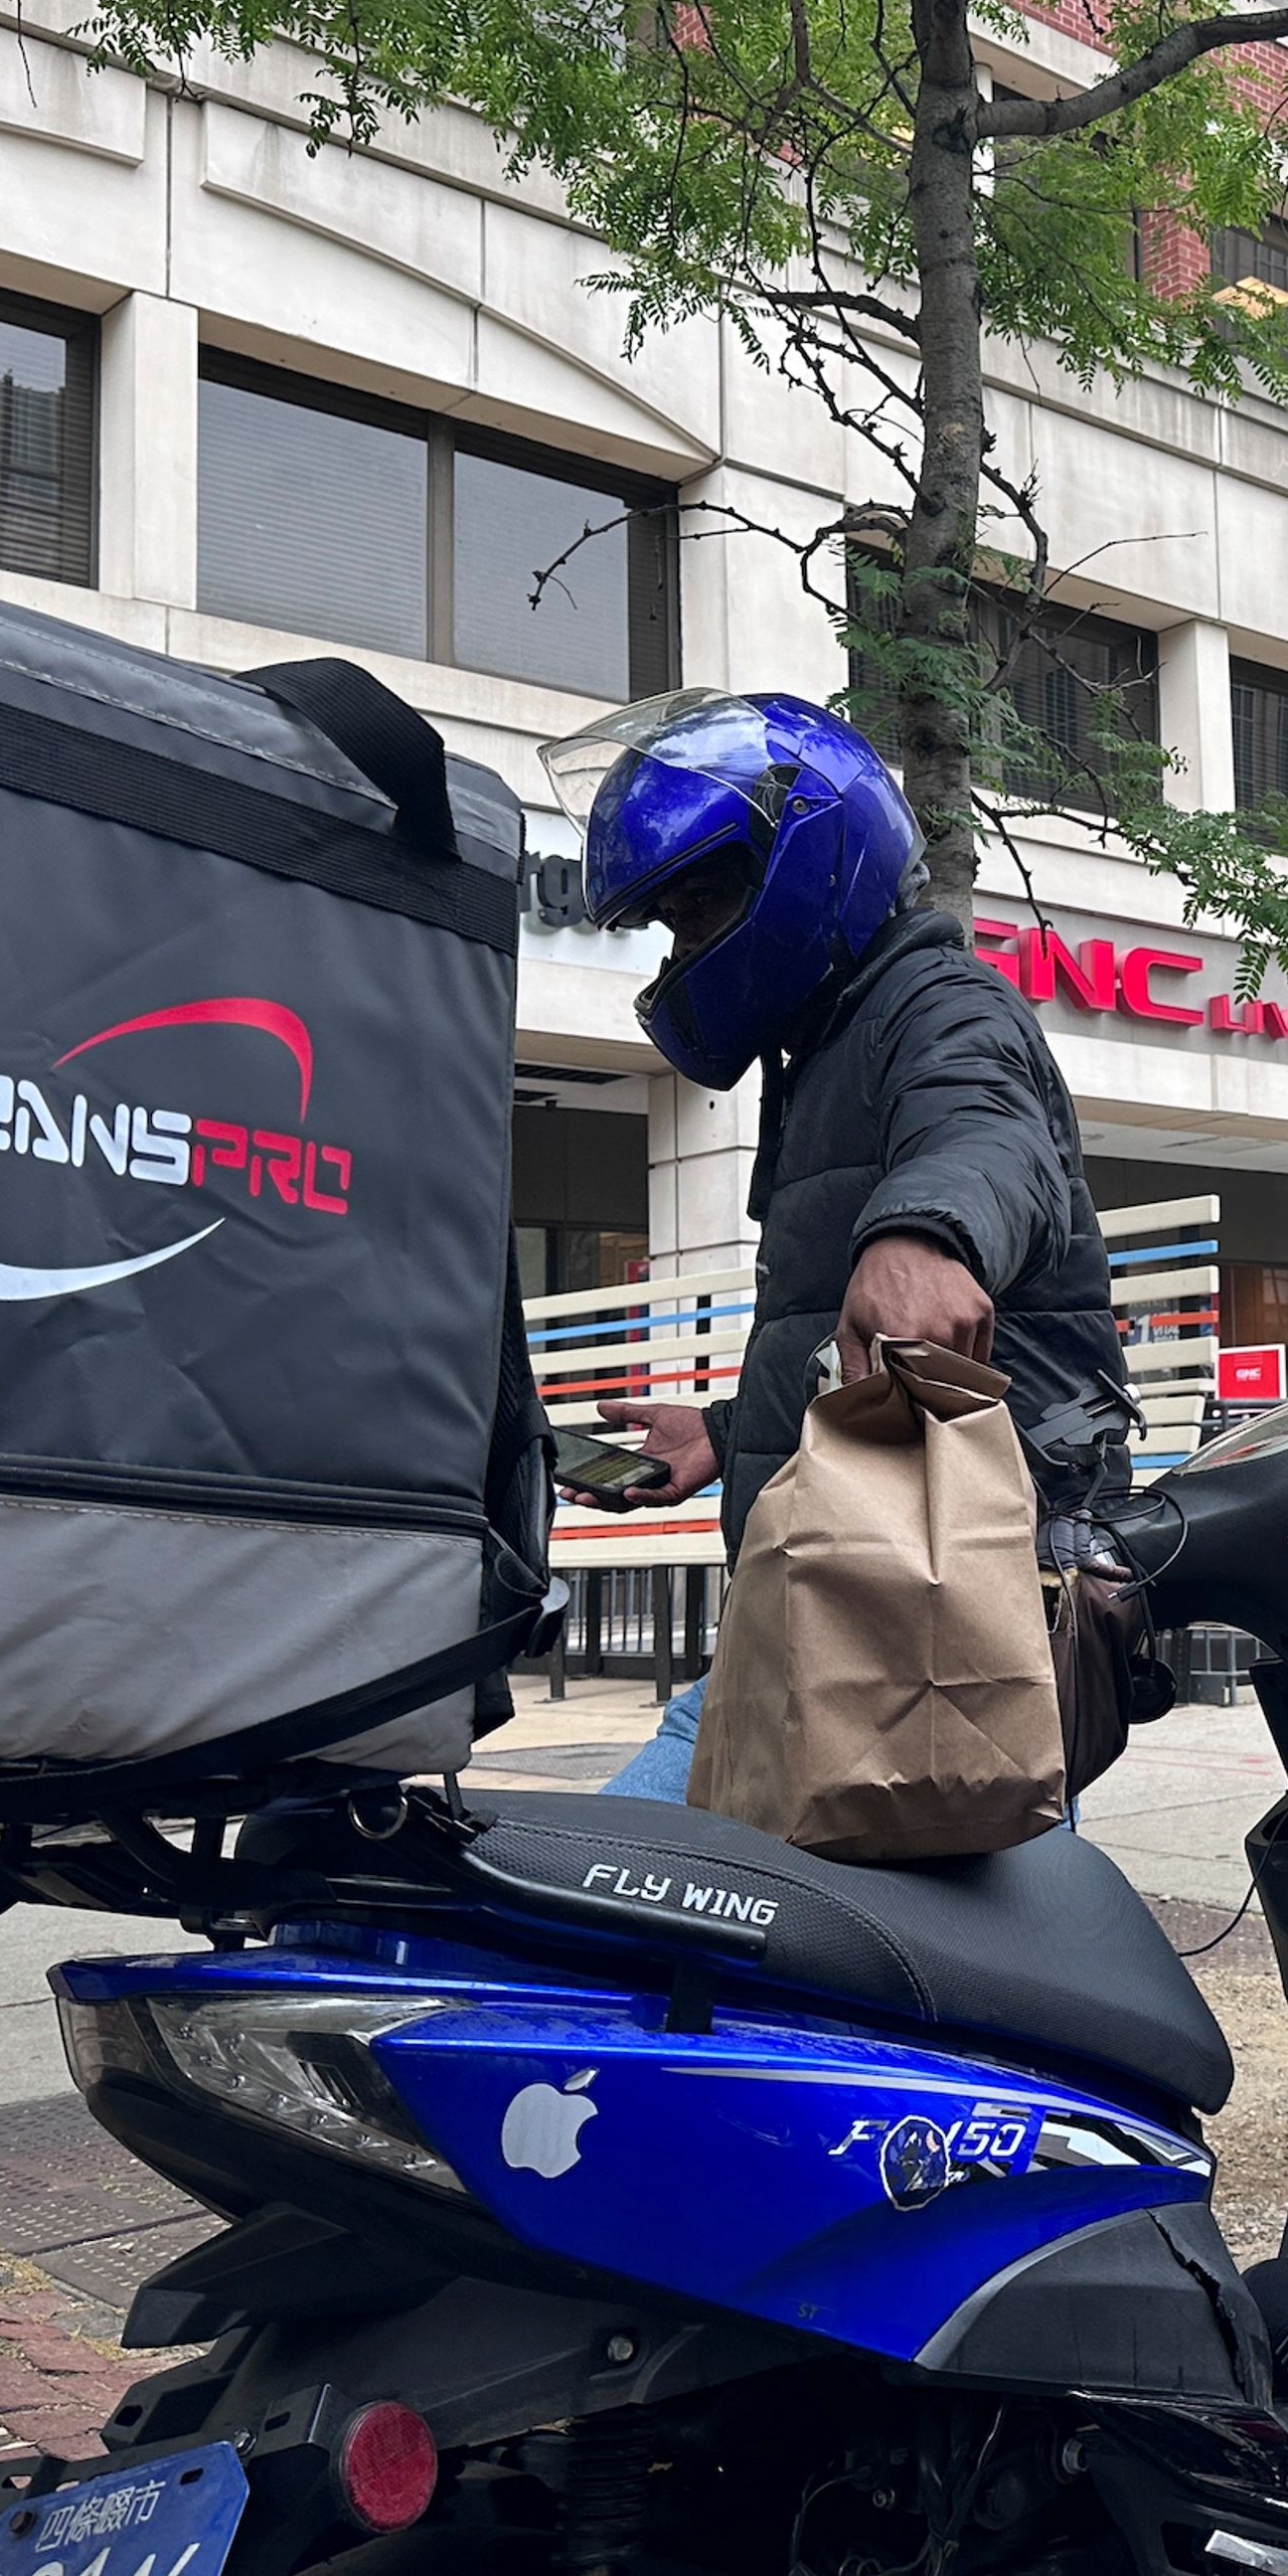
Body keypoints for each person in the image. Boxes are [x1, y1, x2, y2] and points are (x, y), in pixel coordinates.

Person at [535, 689, 1129, 1801]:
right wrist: (724, 1428)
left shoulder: (942, 1002)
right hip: (840, 1608)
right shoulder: (824, 1049)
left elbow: (988, 1130)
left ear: (806, 866)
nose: (686, 946)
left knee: (657, 1906)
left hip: (949, 1626)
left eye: (699, 907)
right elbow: (832, 1339)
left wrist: (926, 1229)